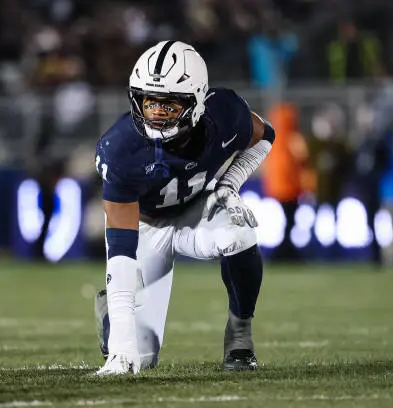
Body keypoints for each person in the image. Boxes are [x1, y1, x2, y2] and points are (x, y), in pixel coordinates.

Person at [93, 40, 275, 375]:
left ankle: (239, 334)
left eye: (169, 105)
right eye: (150, 102)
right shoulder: (120, 148)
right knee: (139, 359)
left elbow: (265, 136)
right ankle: (110, 316)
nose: (158, 113)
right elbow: (120, 251)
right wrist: (121, 349)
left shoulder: (225, 114)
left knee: (240, 230)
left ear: (197, 102)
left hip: (196, 211)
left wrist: (229, 184)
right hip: (146, 229)